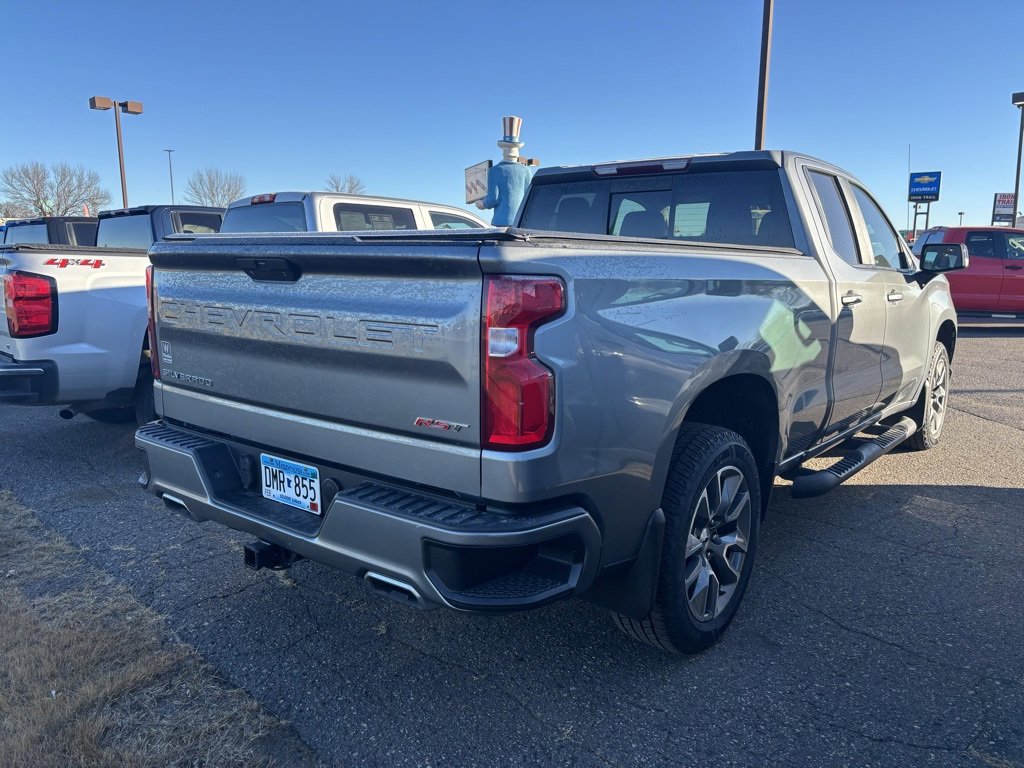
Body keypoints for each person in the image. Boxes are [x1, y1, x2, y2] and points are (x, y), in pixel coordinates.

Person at [476, 116, 533, 227]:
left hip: (501, 221)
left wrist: (482, 204)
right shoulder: (526, 170)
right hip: (521, 222)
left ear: (504, 150)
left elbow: (493, 199)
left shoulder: (495, 171)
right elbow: (529, 198)